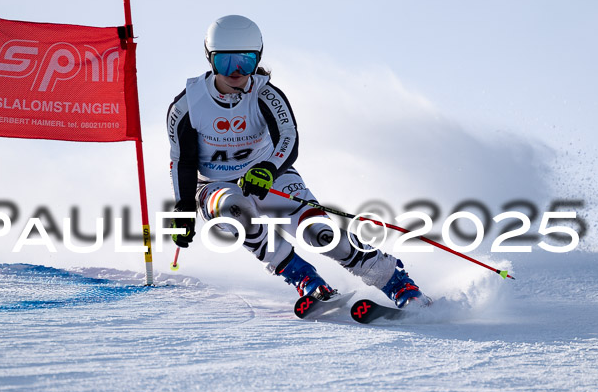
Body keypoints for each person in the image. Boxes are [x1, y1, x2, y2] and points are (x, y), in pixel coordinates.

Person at [166, 15, 431, 308]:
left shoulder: (265, 94)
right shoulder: (188, 104)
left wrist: (267, 168)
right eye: (225, 62)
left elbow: (288, 138)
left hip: (271, 176)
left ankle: (398, 284)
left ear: (258, 58)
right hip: (215, 185)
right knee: (235, 209)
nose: (236, 71)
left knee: (320, 233)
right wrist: (184, 208)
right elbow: (182, 161)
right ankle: (308, 282)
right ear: (209, 58)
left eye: (246, 61)